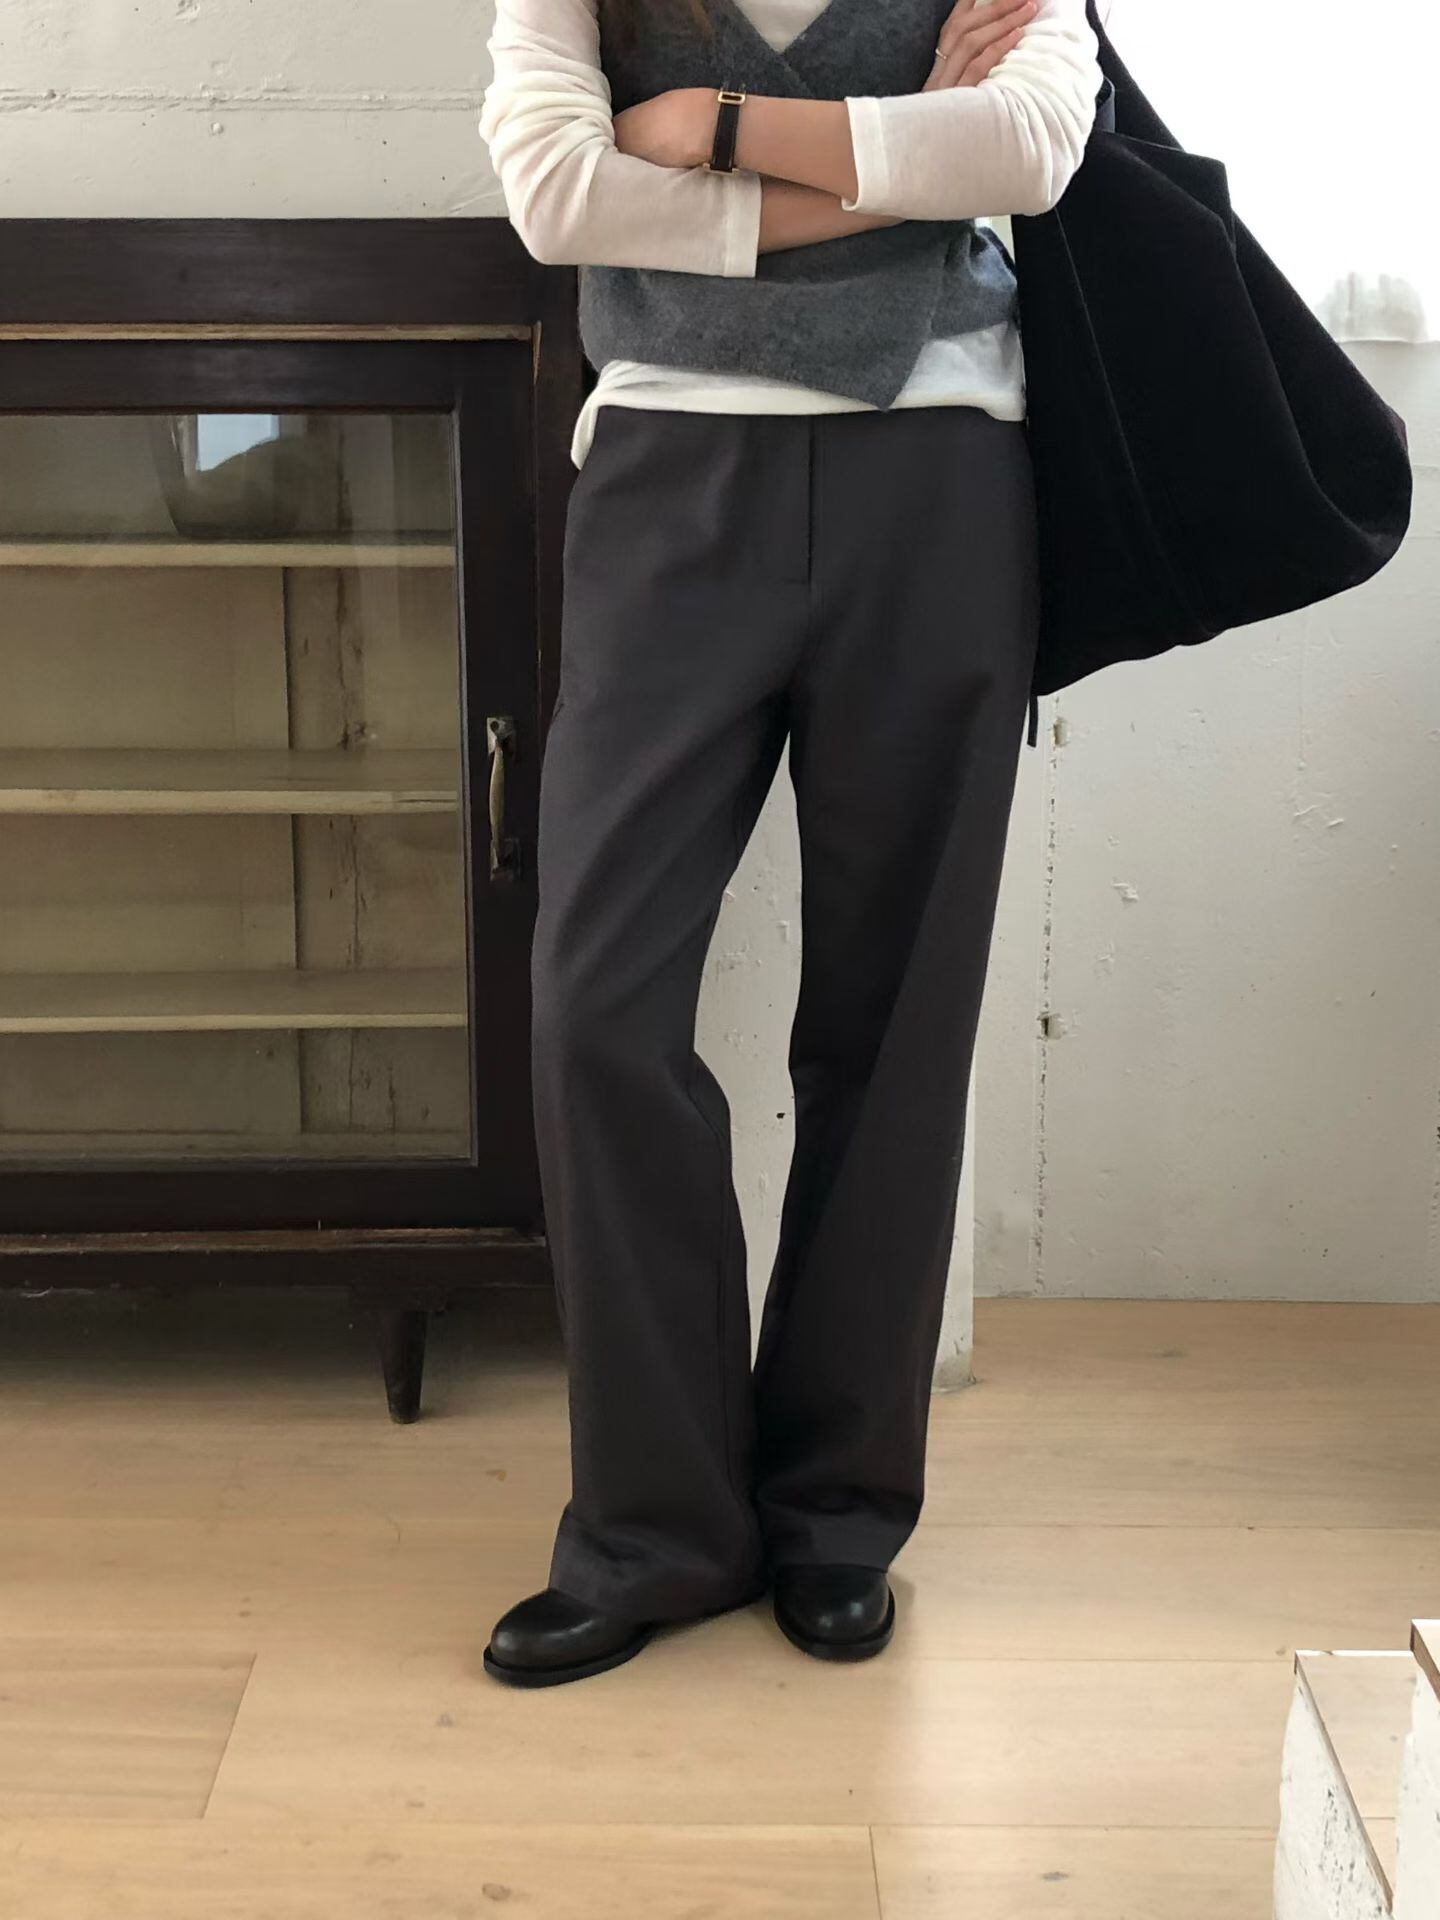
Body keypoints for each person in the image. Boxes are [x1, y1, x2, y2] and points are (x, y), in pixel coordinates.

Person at [476, 0, 1102, 1687]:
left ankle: (838, 1509)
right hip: (668, 477)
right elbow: (555, 192)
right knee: (596, 1009)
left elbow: (1032, 146)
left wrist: (717, 131)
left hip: (942, 479)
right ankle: (656, 1529)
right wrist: (891, 175)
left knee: (896, 1020)